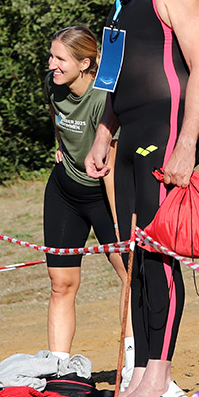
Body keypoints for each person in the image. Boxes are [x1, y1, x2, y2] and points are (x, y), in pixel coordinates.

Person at [81, 0, 199, 397]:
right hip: (132, 130)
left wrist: (186, 144)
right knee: (136, 255)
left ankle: (158, 376)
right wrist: (102, 132)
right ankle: (141, 372)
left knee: (157, 253)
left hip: (168, 129)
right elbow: (116, 70)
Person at [41, 25, 132, 376]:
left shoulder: (101, 98)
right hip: (64, 191)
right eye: (51, 56)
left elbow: (108, 166)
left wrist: (119, 222)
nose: (52, 64)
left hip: (104, 193)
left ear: (85, 63)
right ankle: (58, 369)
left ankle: (133, 362)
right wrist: (59, 147)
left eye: (60, 58)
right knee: (60, 282)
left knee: (129, 275)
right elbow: (57, 117)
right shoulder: (54, 85)